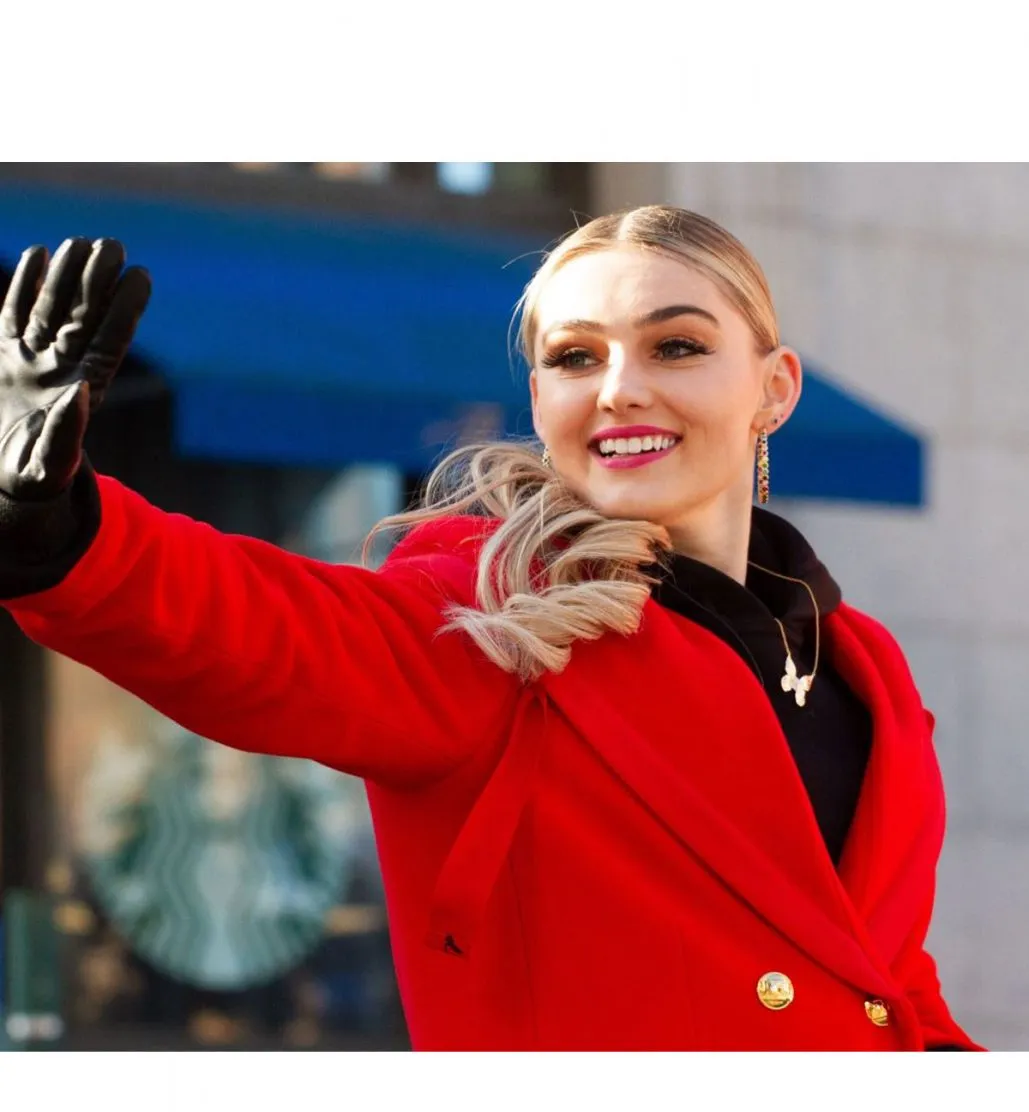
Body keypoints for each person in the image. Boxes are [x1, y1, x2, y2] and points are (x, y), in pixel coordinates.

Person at [0, 210, 982, 1051]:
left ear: (774, 388)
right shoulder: (497, 621)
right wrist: (63, 531)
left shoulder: (863, 667)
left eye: (675, 346)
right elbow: (266, 629)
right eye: (574, 358)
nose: (617, 389)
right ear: (542, 401)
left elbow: (884, 990)